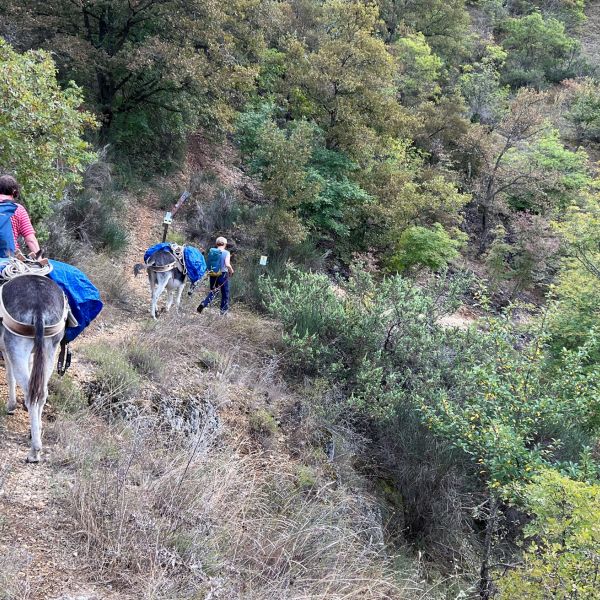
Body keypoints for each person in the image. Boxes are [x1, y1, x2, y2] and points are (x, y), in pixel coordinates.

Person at [0, 175, 41, 259]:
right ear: (14, 192)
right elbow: (30, 240)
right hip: (8, 262)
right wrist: (39, 259)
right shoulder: (18, 209)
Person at [197, 236, 233, 315]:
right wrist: (231, 270)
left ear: (216, 244)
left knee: (213, 291)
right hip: (223, 274)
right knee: (225, 294)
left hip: (213, 273)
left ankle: (204, 303)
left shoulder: (212, 251)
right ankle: (223, 313)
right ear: (225, 244)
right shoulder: (226, 252)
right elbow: (227, 264)